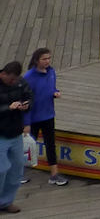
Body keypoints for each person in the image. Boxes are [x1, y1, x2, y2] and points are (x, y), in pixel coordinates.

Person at [22, 49, 65, 186]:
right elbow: (25, 100)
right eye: (44, 59)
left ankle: (54, 175)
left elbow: (51, 88)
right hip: (33, 118)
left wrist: (55, 93)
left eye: (49, 58)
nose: (47, 61)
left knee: (50, 145)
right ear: (36, 60)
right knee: (26, 147)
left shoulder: (51, 72)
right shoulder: (29, 77)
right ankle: (17, 174)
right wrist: (26, 123)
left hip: (48, 115)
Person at [0, 60, 33, 213]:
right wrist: (8, 108)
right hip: (1, 134)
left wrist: (27, 104)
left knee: (17, 169)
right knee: (1, 169)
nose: (14, 82)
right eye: (11, 79)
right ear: (3, 74)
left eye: (16, 79)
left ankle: (6, 202)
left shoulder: (20, 82)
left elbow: (29, 96)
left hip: (16, 133)